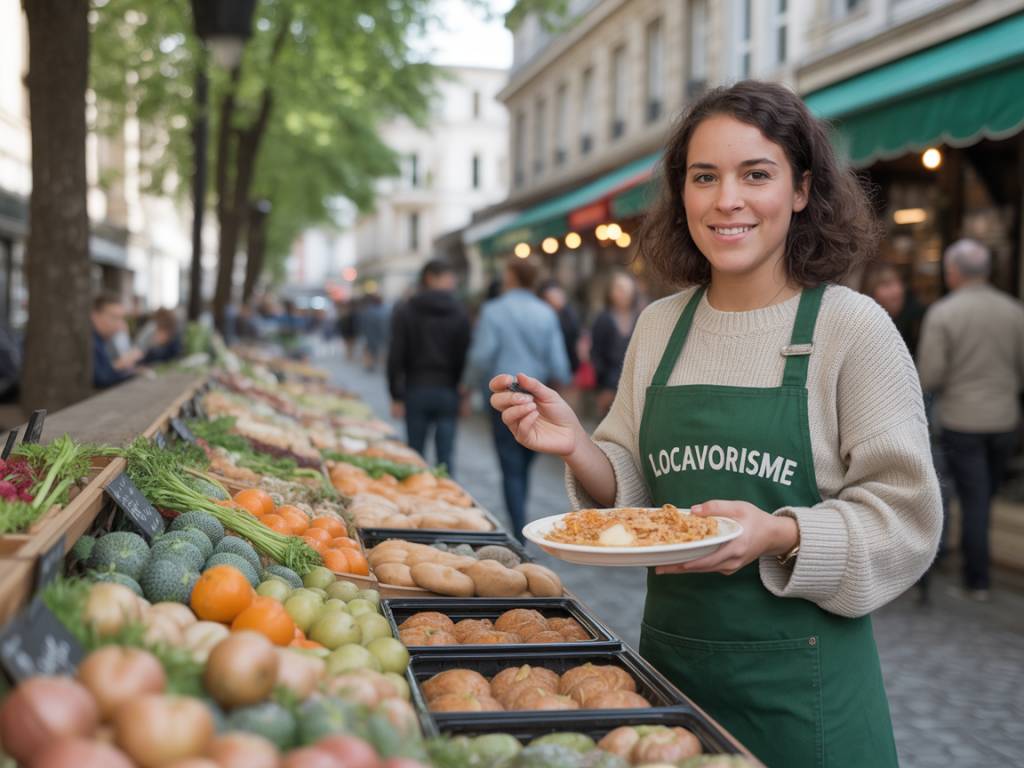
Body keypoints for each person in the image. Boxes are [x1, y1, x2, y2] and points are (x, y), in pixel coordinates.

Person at [490, 81, 941, 768]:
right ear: (683, 194)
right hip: (670, 690)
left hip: (809, 704)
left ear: (800, 189)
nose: (726, 199)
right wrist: (578, 446)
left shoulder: (851, 327)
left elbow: (905, 520)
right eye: (705, 177)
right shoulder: (661, 326)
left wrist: (779, 533)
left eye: (755, 174)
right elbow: (639, 495)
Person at [917, 238, 1024, 601]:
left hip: (962, 418)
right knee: (985, 497)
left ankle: (976, 579)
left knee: (973, 501)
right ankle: (974, 571)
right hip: (1005, 418)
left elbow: (929, 375)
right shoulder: (1014, 311)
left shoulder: (944, 313)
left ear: (953, 272)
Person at [466, 254, 571, 538]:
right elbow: (558, 361)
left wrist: (468, 386)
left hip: (506, 395)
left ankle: (518, 523)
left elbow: (481, 356)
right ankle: (520, 514)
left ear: (510, 277)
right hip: (537, 394)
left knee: (510, 463)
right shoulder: (546, 312)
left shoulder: (493, 311)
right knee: (526, 459)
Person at [387, 260, 471, 473]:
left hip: (416, 388)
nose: (453, 281)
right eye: (448, 276)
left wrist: (396, 395)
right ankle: (448, 500)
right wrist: (465, 391)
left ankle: (416, 498)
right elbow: (464, 355)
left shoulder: (406, 310)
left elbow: (396, 355)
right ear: (431, 278)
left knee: (415, 455)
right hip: (448, 390)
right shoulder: (459, 311)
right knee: (446, 456)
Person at [590, 271, 639, 414]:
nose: (623, 293)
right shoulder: (603, 319)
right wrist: (603, 386)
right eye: (619, 288)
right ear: (610, 292)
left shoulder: (641, 317)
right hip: (608, 383)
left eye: (627, 288)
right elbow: (596, 353)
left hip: (635, 384)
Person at [862, 262, 925, 356]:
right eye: (886, 285)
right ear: (871, 291)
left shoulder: (916, 319)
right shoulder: (865, 326)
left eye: (898, 282)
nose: (896, 290)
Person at [91, 294, 141, 389]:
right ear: (95, 316)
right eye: (114, 317)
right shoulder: (91, 342)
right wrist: (120, 364)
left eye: (122, 318)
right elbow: (101, 379)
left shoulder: (107, 339)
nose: (120, 324)